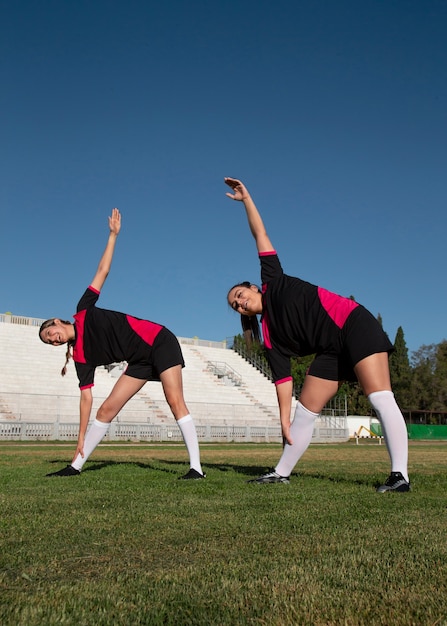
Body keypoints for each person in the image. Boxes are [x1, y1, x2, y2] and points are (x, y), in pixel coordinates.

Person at [224, 177, 410, 493]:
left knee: (379, 397)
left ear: (252, 287)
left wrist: (247, 200)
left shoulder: (273, 280)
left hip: (352, 324)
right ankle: (281, 472)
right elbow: (282, 381)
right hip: (331, 350)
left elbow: (260, 234)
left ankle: (399, 476)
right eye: (235, 306)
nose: (240, 303)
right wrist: (283, 420)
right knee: (304, 411)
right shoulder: (269, 337)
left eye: (239, 295)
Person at [40, 208, 205, 480]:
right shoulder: (81, 357)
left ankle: (196, 469)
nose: (54, 339)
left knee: (175, 400)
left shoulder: (83, 311)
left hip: (159, 341)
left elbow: (103, 271)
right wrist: (79, 437)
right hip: (139, 360)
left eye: (51, 333)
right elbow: (86, 399)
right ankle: (75, 466)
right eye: (50, 342)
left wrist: (113, 235)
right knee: (107, 409)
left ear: (57, 322)